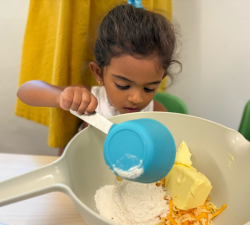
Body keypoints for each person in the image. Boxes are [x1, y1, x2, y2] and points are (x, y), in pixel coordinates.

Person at [17, 4, 180, 154]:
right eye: (123, 85)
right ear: (98, 73)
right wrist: (62, 97)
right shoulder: (90, 100)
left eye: (149, 88)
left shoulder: (157, 112)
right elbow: (25, 91)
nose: (136, 98)